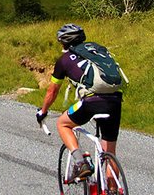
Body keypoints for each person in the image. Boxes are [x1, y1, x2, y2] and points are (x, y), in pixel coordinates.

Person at [35, 23, 124, 181]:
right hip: (115, 100)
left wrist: (43, 112)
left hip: (91, 101)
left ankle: (80, 162)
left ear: (64, 42)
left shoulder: (64, 60)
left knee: (63, 123)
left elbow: (52, 91)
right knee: (110, 153)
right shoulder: (97, 49)